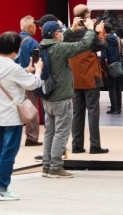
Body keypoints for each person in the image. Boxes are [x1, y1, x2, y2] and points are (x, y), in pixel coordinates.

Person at [0, 31, 43, 201]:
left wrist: (26, 70)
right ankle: (1, 189)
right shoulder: (13, 68)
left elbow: (9, 77)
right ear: (16, 49)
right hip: (12, 117)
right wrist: (37, 71)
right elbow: (33, 83)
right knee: (9, 153)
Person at [40, 18, 97, 178]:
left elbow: (63, 41)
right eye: (60, 31)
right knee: (61, 133)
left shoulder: (42, 47)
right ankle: (56, 167)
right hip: (62, 98)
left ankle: (46, 166)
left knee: (49, 133)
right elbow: (82, 45)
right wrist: (90, 30)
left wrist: (72, 29)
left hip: (48, 97)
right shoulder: (59, 49)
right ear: (56, 34)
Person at [66, 4, 108, 154]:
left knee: (77, 113)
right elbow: (102, 45)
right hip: (90, 77)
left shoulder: (69, 35)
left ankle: (77, 145)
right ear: (87, 15)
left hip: (75, 79)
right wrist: (100, 32)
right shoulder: (90, 34)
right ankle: (95, 145)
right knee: (93, 112)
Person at [16, 15, 42, 146]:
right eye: (35, 26)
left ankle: (13, 136)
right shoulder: (32, 43)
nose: (36, 28)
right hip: (28, 79)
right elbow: (38, 62)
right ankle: (31, 137)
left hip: (14, 78)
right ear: (30, 27)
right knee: (30, 107)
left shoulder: (13, 40)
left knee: (15, 107)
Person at [101, 21, 123, 114]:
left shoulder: (105, 40)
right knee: (118, 87)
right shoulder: (117, 39)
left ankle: (114, 108)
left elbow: (103, 56)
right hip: (118, 65)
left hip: (110, 66)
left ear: (104, 30)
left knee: (112, 88)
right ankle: (118, 108)